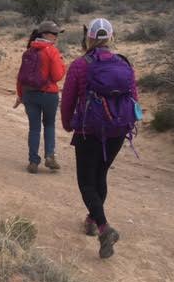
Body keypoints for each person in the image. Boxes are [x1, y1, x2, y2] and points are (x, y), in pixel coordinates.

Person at [60, 18, 139, 259]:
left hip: (89, 130)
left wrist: (66, 124)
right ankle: (92, 220)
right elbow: (134, 98)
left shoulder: (79, 65)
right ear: (111, 37)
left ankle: (104, 227)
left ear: (89, 38)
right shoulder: (124, 64)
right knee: (100, 175)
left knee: (86, 182)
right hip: (117, 130)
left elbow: (68, 100)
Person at [14, 20, 66, 174]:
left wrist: (20, 95)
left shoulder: (28, 51)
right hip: (48, 94)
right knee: (49, 125)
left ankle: (33, 161)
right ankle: (49, 156)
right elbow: (57, 76)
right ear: (45, 34)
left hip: (29, 95)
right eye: (54, 34)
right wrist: (63, 66)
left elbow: (20, 77)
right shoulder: (51, 51)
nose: (57, 37)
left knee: (34, 128)